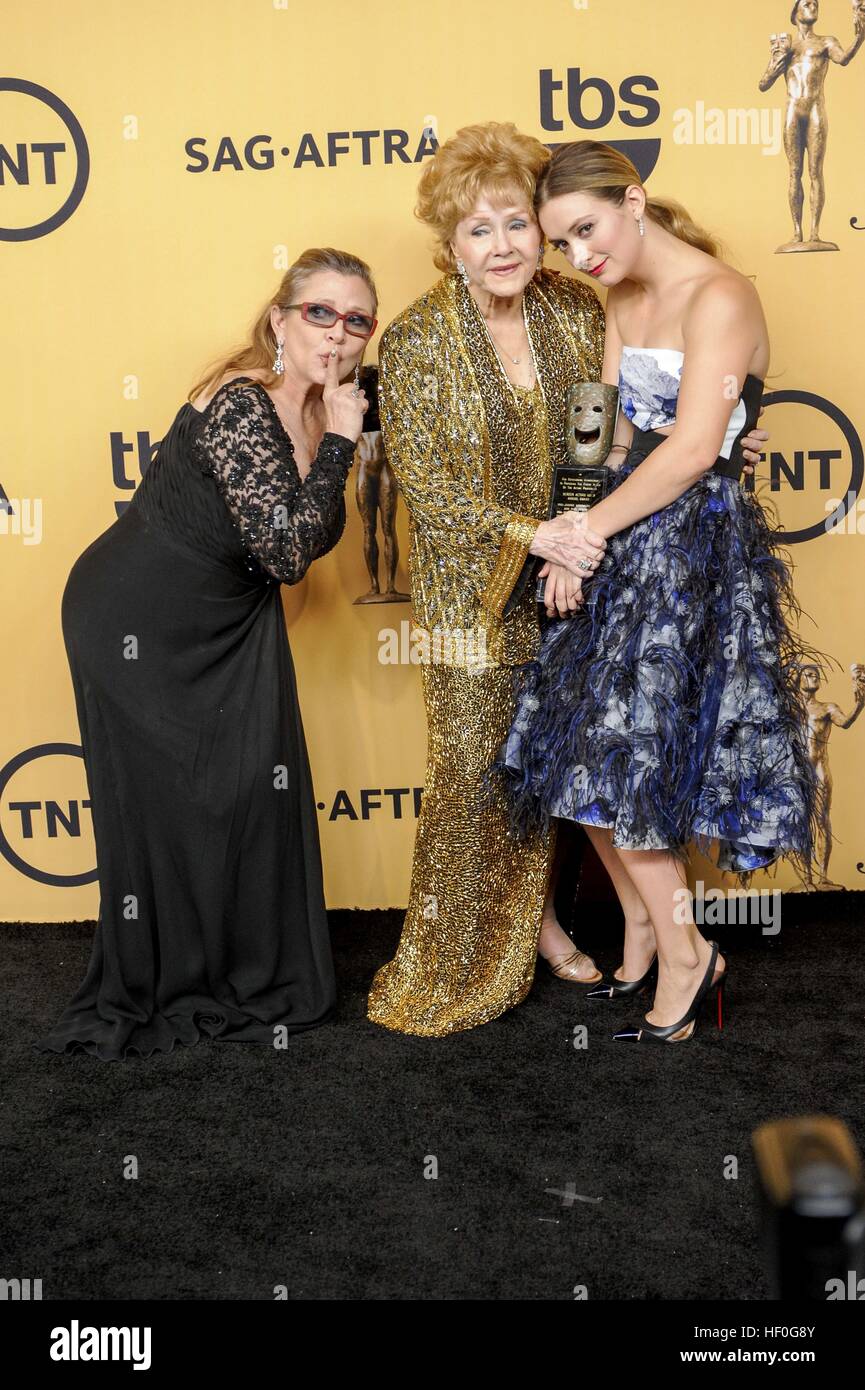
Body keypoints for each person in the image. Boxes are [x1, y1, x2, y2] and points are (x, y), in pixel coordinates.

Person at [366, 123, 768, 1036]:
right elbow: (434, 489)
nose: (508, 246)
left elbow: (609, 433)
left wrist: (577, 535)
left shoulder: (577, 305)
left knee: (588, 755)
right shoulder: (421, 339)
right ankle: (515, 946)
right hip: (487, 583)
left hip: (601, 559)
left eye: (522, 226)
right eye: (480, 230)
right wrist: (555, 535)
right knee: (486, 771)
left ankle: (654, 933)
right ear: (449, 244)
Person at [490, 140, 822, 1045]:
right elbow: (602, 426)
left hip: (689, 553)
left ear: (634, 200)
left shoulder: (723, 294)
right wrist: (564, 535)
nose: (580, 257)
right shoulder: (620, 295)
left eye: (586, 231)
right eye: (562, 245)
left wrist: (587, 533)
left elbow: (687, 450)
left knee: (625, 758)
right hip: (615, 540)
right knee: (574, 749)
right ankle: (643, 927)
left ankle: (686, 956)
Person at [34, 248, 373, 1060]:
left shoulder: (331, 411)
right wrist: (342, 447)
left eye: (355, 319)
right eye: (318, 312)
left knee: (244, 792)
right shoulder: (244, 406)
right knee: (167, 808)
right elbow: (288, 554)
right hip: (140, 617)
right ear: (280, 320)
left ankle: (237, 968)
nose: (336, 334)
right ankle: (166, 978)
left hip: (228, 623)